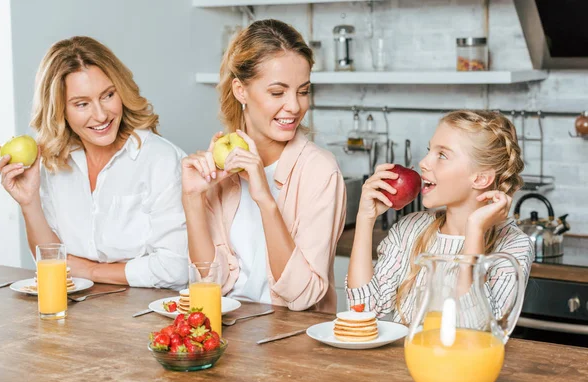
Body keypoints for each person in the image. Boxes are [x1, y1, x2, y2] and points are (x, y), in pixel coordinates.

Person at [0, 36, 188, 289]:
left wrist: (88, 270)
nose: (101, 115)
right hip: (77, 310)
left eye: (107, 95)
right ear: (59, 110)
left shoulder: (161, 160)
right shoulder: (54, 162)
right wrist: (29, 202)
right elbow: (51, 260)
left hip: (146, 312)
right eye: (82, 104)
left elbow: (176, 268)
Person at [181, 19, 346, 312]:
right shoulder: (220, 170)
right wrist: (193, 198)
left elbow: (303, 297)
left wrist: (264, 199)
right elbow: (208, 284)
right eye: (277, 93)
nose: (295, 107)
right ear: (240, 91)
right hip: (228, 336)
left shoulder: (320, 171)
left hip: (291, 347)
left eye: (303, 91)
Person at [346, 110, 535, 324]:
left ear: (481, 178)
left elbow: (474, 330)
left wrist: (475, 231)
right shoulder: (410, 228)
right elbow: (361, 311)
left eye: (442, 155)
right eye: (429, 150)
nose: (423, 162)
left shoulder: (514, 246)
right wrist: (365, 218)